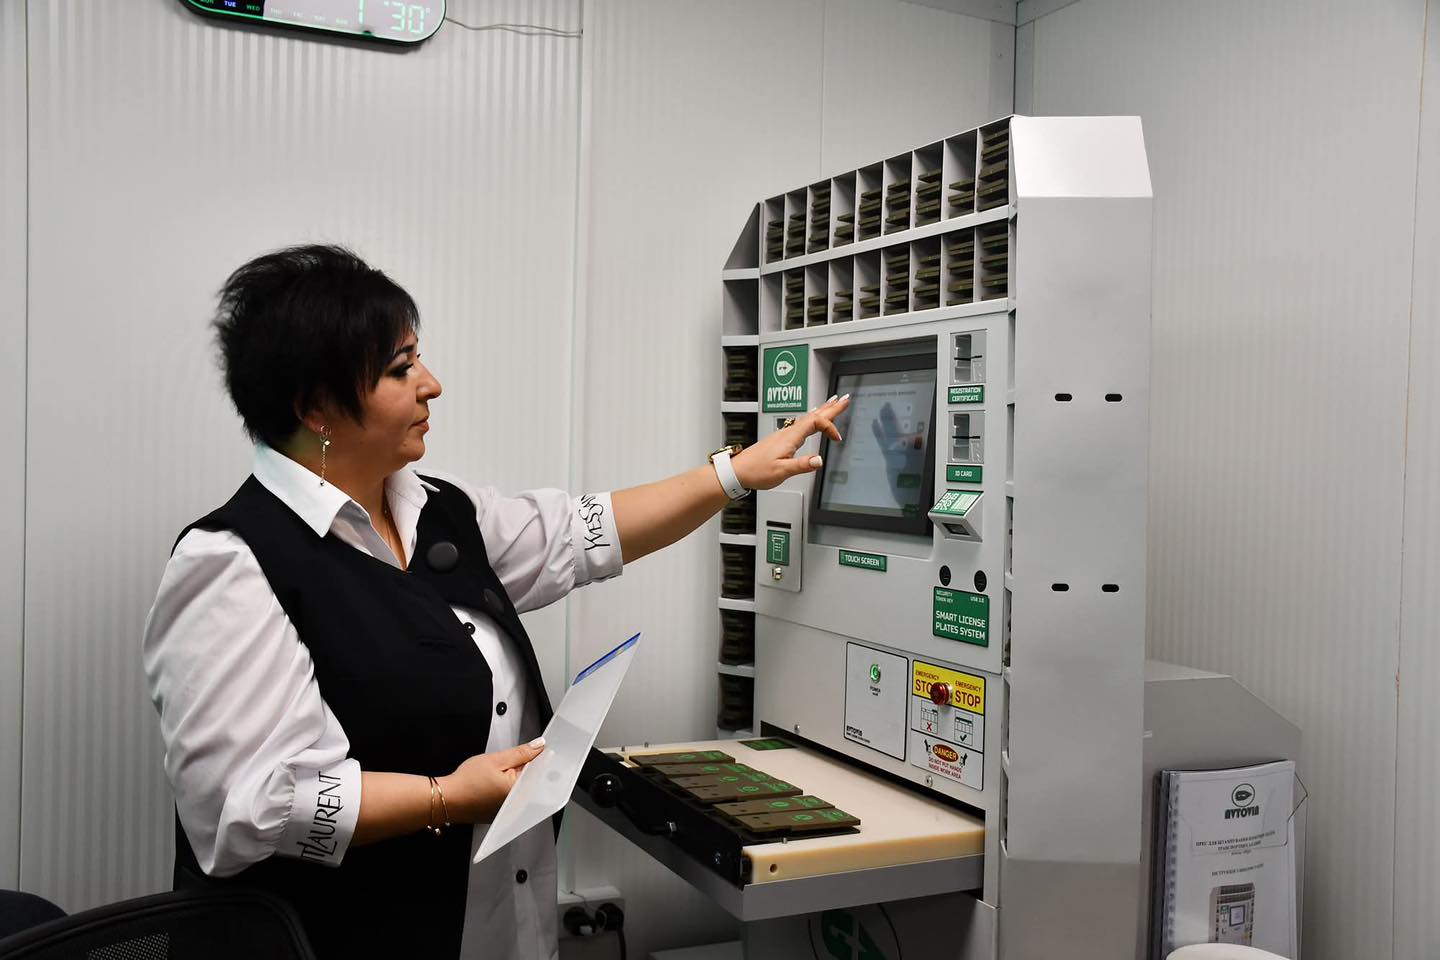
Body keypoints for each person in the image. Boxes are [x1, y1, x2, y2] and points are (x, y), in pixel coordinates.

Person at [141, 245, 850, 960]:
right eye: (400, 370)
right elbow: (245, 809)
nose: (432, 385)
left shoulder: (438, 509)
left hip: (497, 925)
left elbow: (582, 533)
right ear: (317, 407)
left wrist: (737, 474)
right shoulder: (231, 564)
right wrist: (445, 798)